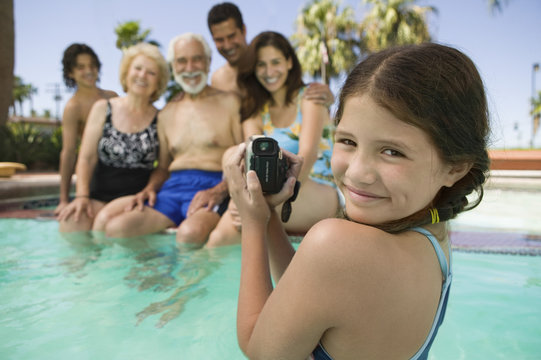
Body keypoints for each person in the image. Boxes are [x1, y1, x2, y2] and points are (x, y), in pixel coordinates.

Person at [224, 43, 490, 359]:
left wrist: (252, 222)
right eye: (348, 141)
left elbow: (260, 350)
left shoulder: (335, 245)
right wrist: (268, 217)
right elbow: (311, 289)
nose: (358, 172)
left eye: (392, 152)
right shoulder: (435, 239)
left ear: (455, 167)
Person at [92, 33, 243, 246]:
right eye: (182, 61)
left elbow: (245, 156)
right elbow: (163, 167)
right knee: (119, 229)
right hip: (173, 188)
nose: (190, 67)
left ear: (208, 62)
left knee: (189, 234)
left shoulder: (230, 103)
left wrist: (219, 191)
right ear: (173, 67)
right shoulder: (166, 113)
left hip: (214, 185)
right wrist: (150, 189)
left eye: (197, 59)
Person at [207, 31, 339, 247]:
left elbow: (307, 155)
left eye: (276, 62)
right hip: (273, 190)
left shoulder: (310, 98)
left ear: (289, 62)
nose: (269, 72)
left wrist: (253, 204)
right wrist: (245, 199)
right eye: (261, 65)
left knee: (248, 216)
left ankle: (249, 210)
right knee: (219, 239)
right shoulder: (257, 109)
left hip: (315, 187)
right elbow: (247, 157)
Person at [58, 42, 169, 232]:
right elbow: (86, 158)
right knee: (70, 224)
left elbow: (164, 167)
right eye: (138, 68)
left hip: (136, 199)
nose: (142, 75)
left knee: (105, 225)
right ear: (127, 72)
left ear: (158, 82)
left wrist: (149, 189)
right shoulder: (103, 108)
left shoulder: (162, 119)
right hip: (98, 195)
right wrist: (81, 196)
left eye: (151, 72)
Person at [207, 2, 333, 106]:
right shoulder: (218, 79)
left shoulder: (268, 62)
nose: (227, 45)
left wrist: (327, 96)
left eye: (231, 36)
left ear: (243, 30)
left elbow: (297, 92)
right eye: (219, 40)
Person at [54, 43, 118, 215]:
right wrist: (64, 200)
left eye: (92, 65)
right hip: (96, 175)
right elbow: (68, 153)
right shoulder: (73, 108)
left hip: (121, 169)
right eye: (81, 67)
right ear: (70, 73)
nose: (88, 71)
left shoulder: (112, 97)